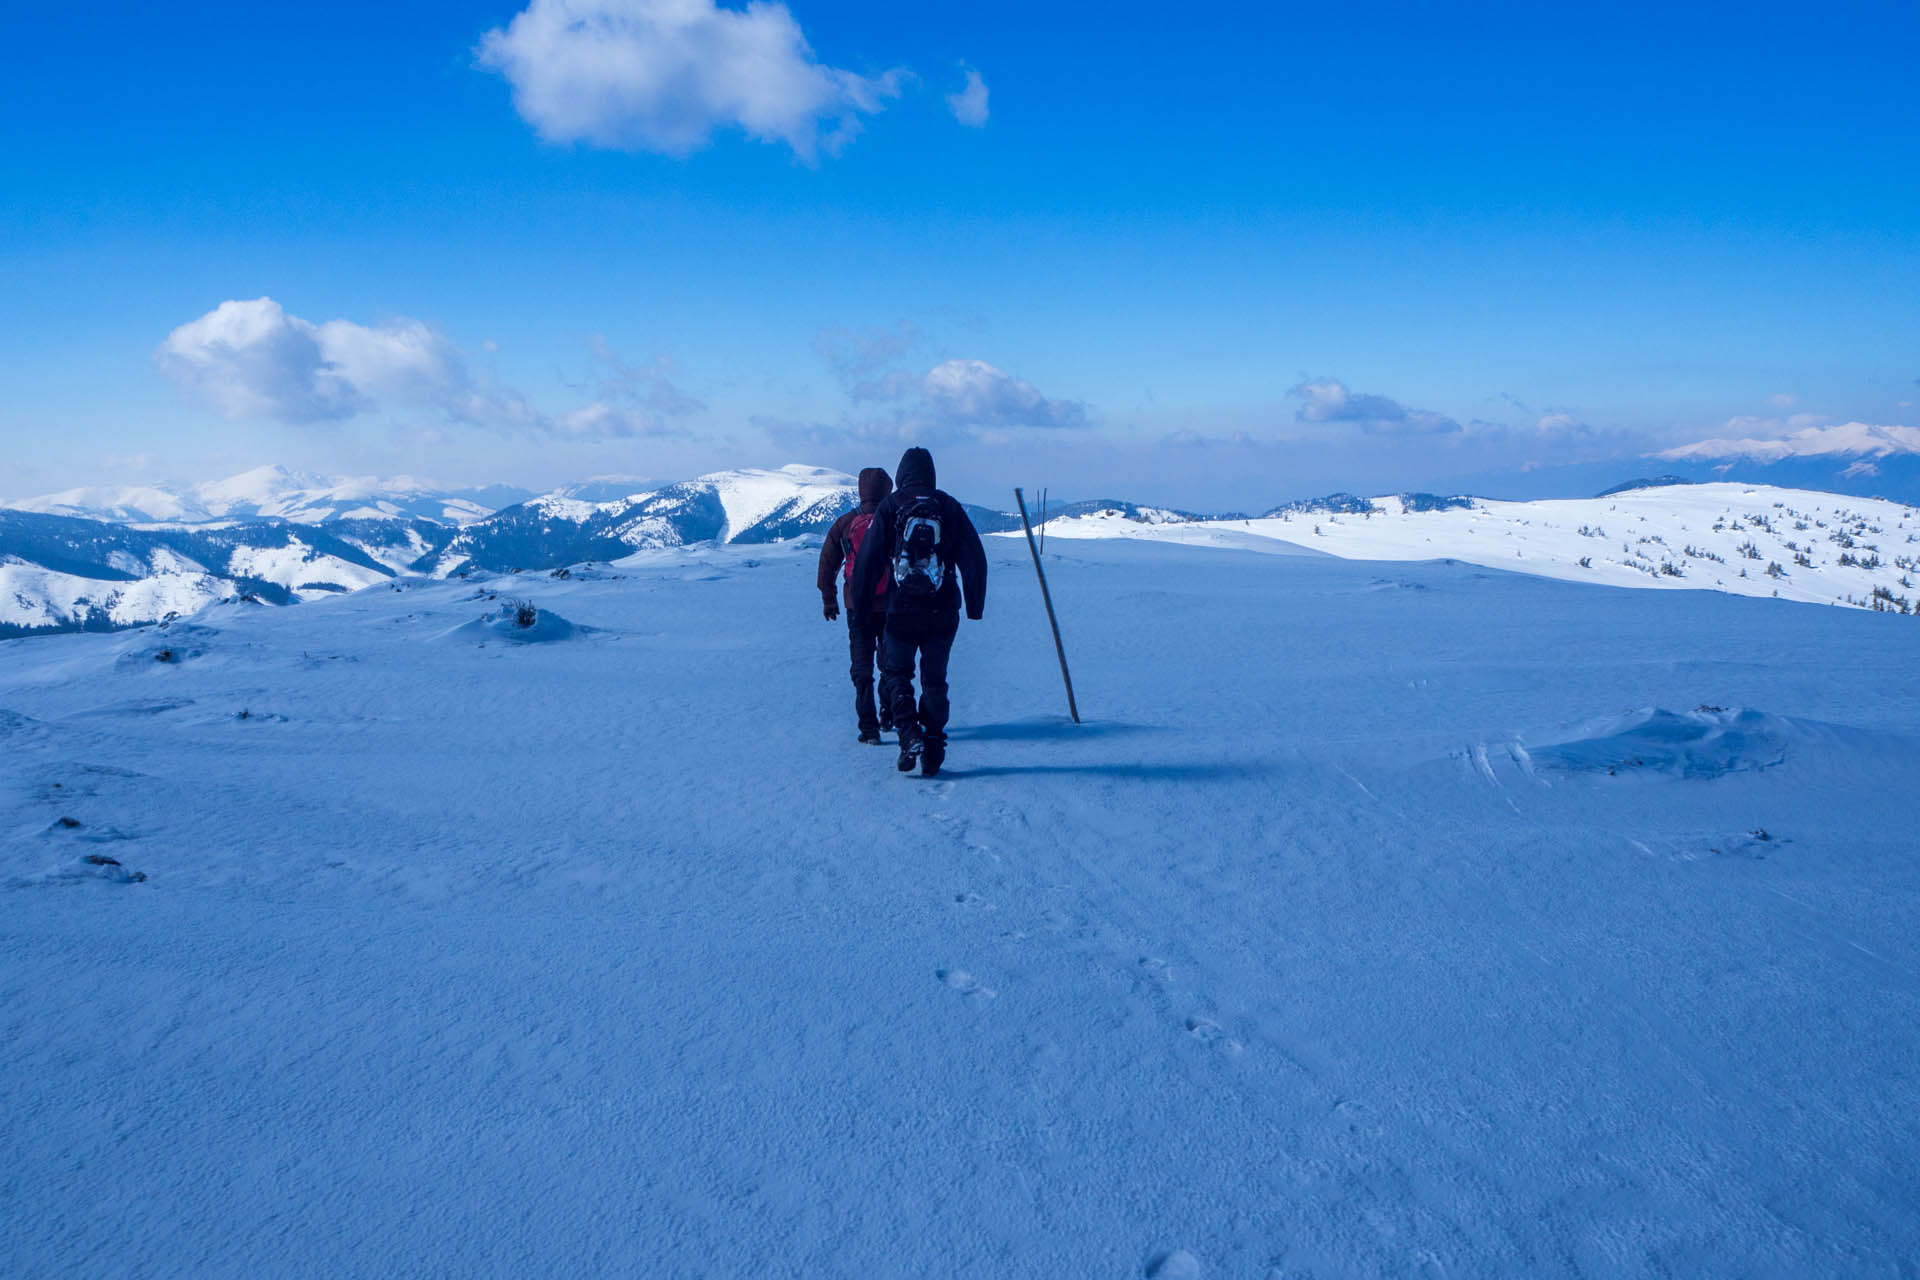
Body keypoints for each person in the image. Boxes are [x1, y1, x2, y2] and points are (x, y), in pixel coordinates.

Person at [850, 447, 987, 777]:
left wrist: (863, 607)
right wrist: (974, 608)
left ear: (900, 475)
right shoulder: (948, 506)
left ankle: (909, 732)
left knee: (897, 674)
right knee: (935, 680)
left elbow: (867, 561)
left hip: (901, 610)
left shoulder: (891, 506)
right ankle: (935, 747)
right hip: (943, 611)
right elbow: (975, 559)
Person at [817, 467, 895, 743]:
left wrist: (829, 598)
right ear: (887, 490)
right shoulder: (894, 518)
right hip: (889, 605)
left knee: (862, 667)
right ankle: (889, 715)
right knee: (890, 663)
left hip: (856, 605)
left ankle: (868, 728)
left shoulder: (845, 523)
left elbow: (828, 563)